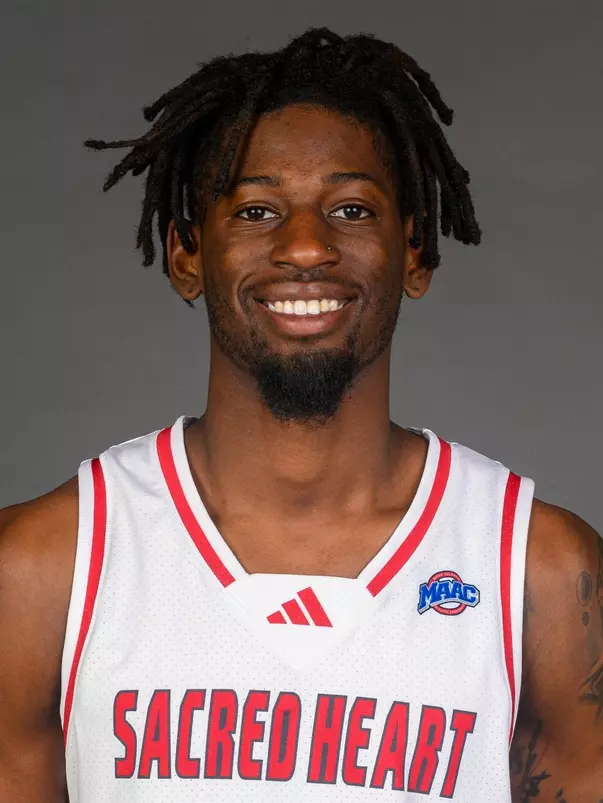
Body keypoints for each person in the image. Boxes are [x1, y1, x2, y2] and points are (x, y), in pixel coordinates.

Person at [0, 27, 601, 803]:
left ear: (415, 252)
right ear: (187, 254)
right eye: (256, 210)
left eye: (350, 208)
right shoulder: (41, 569)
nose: (307, 247)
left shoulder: (539, 573)